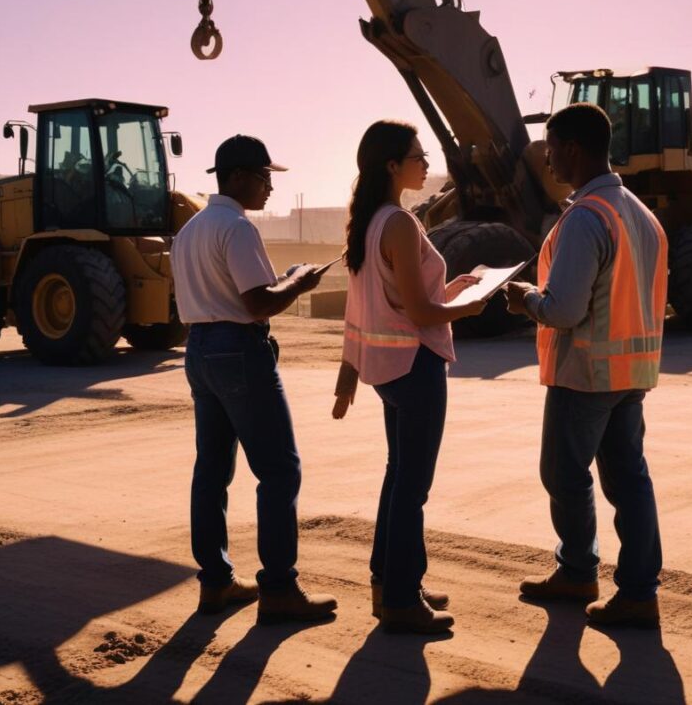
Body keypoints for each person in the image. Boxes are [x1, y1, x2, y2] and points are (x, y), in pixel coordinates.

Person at [506, 103, 668, 629]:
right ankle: (640, 591)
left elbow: (565, 310)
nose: (547, 160)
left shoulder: (585, 218)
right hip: (632, 373)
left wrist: (527, 298)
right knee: (629, 481)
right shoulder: (640, 214)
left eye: (549, 148)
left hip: (588, 373)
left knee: (563, 472)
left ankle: (577, 570)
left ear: (572, 149)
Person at [171, 134, 337, 623]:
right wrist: (300, 282)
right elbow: (260, 302)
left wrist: (281, 281)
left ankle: (216, 583)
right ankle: (280, 588)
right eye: (265, 177)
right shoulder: (238, 229)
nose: (270, 187)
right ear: (239, 177)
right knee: (280, 470)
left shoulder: (191, 229)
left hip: (200, 349)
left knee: (213, 470)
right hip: (239, 350)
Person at [332, 120, 486, 634]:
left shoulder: (371, 221)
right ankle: (400, 597)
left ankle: (391, 581)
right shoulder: (398, 223)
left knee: (399, 477)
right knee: (411, 486)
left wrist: (349, 375)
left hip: (388, 372)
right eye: (418, 156)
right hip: (415, 367)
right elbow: (420, 312)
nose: (425, 163)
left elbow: (378, 302)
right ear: (392, 165)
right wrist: (469, 306)